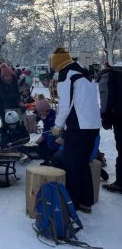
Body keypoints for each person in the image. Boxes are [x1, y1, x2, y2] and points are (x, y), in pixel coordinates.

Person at [50, 47, 101, 212]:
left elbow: (65, 104)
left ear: (57, 64)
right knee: (83, 164)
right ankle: (86, 201)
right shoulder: (83, 72)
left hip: (79, 126)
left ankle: (73, 202)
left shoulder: (67, 75)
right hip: (93, 125)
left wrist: (58, 126)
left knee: (71, 164)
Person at [99, 64, 122, 193]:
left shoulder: (107, 76)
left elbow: (105, 97)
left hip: (119, 116)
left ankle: (120, 183)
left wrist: (105, 116)